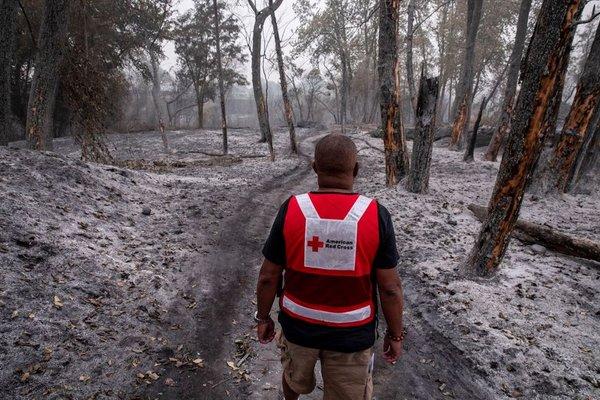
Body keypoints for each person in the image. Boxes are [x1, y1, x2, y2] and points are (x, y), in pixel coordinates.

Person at [255, 134, 404, 400]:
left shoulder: (291, 209)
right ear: (356, 169)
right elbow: (390, 288)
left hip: (298, 329)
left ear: (314, 168)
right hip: (352, 337)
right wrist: (395, 335)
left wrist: (264, 318)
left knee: (293, 379)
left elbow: (268, 276)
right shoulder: (376, 214)